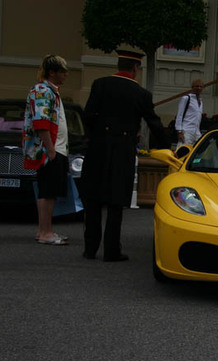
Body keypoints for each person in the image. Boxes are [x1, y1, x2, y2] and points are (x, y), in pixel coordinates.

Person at [80, 50, 169, 262]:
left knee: (93, 200)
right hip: (122, 150)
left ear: (118, 65)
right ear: (135, 69)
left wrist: (96, 136)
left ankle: (90, 248)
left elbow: (88, 115)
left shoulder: (99, 84)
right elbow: (154, 123)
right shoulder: (141, 94)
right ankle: (112, 250)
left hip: (98, 148)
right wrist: (168, 147)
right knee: (115, 201)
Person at [23, 54, 70, 246]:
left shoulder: (50, 91)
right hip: (50, 150)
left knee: (49, 191)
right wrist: (50, 151)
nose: (66, 75)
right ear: (52, 73)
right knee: (47, 192)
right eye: (62, 71)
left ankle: (45, 229)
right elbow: (41, 124)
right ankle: (45, 232)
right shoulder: (43, 91)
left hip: (55, 148)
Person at [175, 78, 204, 146]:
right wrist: (179, 132)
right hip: (186, 131)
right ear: (192, 87)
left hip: (196, 132)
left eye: (201, 86)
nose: (199, 88)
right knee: (183, 151)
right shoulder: (186, 98)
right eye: (197, 86)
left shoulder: (200, 101)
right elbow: (180, 115)